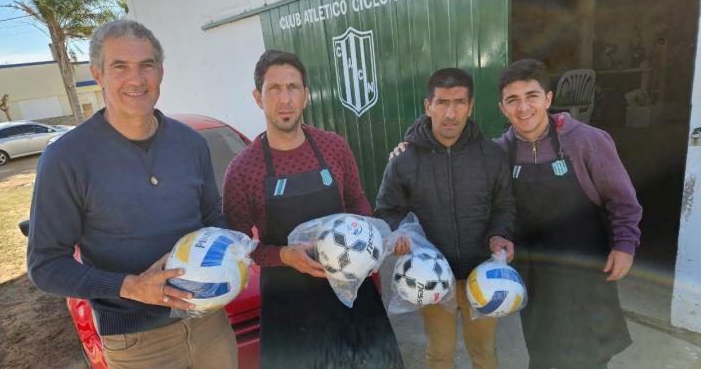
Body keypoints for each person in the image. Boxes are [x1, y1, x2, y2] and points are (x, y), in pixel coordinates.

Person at [27, 20, 237, 369]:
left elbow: (212, 219)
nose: (136, 79)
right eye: (120, 66)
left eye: (146, 65)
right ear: (98, 75)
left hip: (211, 327)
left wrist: (235, 248)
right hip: (138, 343)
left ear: (161, 73)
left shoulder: (191, 144)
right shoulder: (66, 158)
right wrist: (130, 286)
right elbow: (45, 265)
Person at [222, 50, 404, 368]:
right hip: (289, 306)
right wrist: (283, 255)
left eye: (293, 88)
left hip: (352, 294)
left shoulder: (334, 147)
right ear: (257, 97)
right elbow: (238, 248)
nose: (285, 99)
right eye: (274, 89)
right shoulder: (243, 170)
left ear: (306, 95)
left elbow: (357, 202)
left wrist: (372, 243)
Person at [495, 59, 640, 369]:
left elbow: (623, 200)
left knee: (589, 353)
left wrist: (625, 245)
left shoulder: (586, 141)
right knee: (543, 350)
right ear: (502, 108)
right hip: (534, 270)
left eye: (532, 96)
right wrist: (412, 141)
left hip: (585, 265)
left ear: (548, 99)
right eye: (513, 100)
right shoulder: (498, 152)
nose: (523, 108)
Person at [376, 68, 516, 369]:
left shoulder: (491, 156)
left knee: (484, 353)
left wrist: (500, 234)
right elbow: (387, 210)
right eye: (442, 102)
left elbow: (505, 205)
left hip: (482, 276)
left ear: (471, 105)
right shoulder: (404, 161)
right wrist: (401, 236)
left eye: (459, 102)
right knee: (440, 353)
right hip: (432, 277)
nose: (450, 112)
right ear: (428, 106)